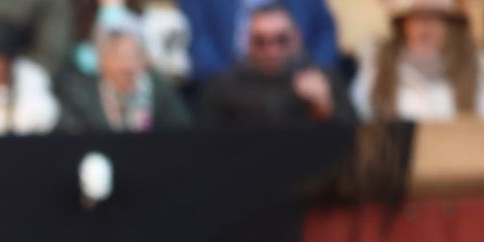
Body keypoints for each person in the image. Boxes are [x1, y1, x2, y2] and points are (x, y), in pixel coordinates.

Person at [199, 3, 353, 124]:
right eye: (260, 42)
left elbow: (354, 138)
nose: (271, 51)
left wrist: (324, 107)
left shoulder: (324, 80)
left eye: (281, 40)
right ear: (247, 42)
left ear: (296, 38)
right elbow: (203, 140)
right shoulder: (224, 87)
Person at [58, 6, 193, 131]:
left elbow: (181, 133)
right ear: (101, 61)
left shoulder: (160, 90)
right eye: (119, 57)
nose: (128, 67)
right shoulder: (81, 95)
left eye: (134, 56)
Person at [352, 0, 484, 122]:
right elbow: (362, 112)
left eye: (437, 19)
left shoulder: (475, 66)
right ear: (404, 24)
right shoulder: (377, 63)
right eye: (420, 18)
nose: (428, 26)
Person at [179, 0, 339, 82]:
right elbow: (199, 42)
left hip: (298, 81)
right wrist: (223, 86)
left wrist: (317, 76)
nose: (271, 51)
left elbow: (324, 33)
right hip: (231, 85)